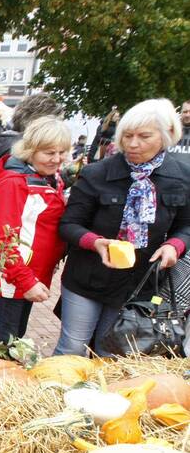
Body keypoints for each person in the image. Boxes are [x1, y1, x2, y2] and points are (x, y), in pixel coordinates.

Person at [56, 98, 190, 356]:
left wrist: (175, 246)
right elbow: (69, 224)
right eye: (127, 135)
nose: (133, 144)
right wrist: (95, 242)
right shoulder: (97, 173)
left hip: (138, 283)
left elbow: (186, 226)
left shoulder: (182, 179)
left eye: (144, 136)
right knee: (72, 348)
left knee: (112, 352)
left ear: (167, 135)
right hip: (87, 277)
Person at [0, 117, 71, 350]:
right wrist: (26, 280)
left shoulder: (48, 178)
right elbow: (1, 240)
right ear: (31, 150)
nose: (56, 159)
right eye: (49, 153)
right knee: (2, 344)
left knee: (2, 332)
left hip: (26, 276)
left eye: (62, 152)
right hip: (12, 279)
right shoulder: (14, 183)